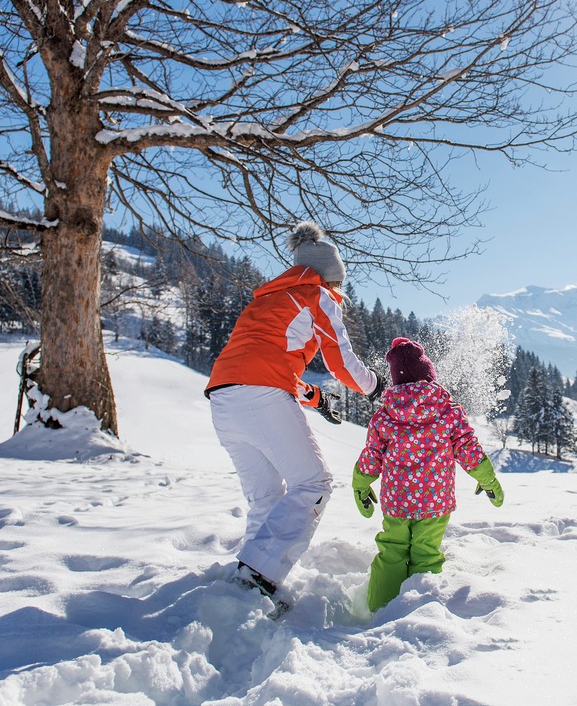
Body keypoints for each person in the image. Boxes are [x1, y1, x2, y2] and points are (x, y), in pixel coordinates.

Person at [205, 221, 385, 607]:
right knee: (314, 482)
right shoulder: (314, 293)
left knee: (267, 496)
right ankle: (260, 576)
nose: (339, 292)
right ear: (329, 276)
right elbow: (340, 359)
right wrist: (377, 388)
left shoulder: (268, 299)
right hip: (260, 396)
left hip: (223, 399)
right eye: (338, 284)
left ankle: (244, 589)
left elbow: (259, 362)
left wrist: (314, 397)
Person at [351, 337, 504, 612]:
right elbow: (468, 448)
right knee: (426, 554)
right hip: (435, 501)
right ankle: (420, 614)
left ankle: (378, 611)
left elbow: (372, 454)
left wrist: (361, 484)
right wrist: (487, 479)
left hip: (397, 501)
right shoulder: (448, 412)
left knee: (392, 552)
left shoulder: (385, 416)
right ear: (429, 375)